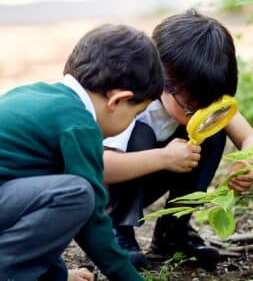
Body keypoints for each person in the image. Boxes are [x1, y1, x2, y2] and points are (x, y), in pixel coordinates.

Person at [0, 23, 164, 281]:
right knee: (77, 195)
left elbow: (34, 222)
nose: (132, 122)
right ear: (118, 100)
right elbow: (92, 222)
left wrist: (59, 274)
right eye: (134, 114)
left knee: (66, 194)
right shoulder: (79, 125)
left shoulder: (38, 95)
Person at [103, 9, 253, 271]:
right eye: (190, 108)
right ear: (162, 81)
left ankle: (172, 233)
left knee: (214, 131)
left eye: (207, 106)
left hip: (154, 173)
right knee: (142, 134)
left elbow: (251, 137)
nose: (198, 114)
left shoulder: (200, 96)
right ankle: (117, 231)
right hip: (109, 189)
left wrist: (246, 163)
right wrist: (164, 157)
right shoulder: (133, 99)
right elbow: (101, 166)